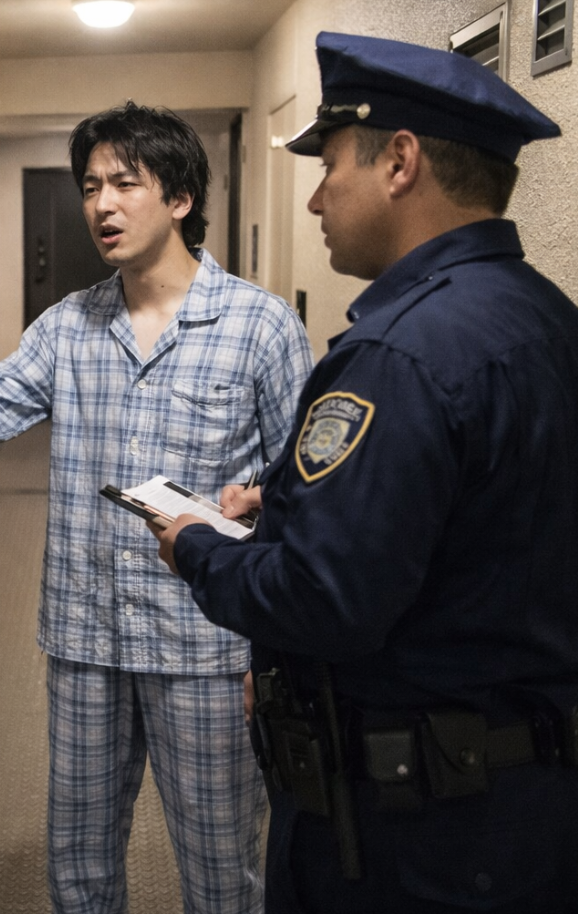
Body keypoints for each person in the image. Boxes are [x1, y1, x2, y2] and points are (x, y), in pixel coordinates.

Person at [151, 32, 578, 913]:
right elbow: (489, 518)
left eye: (328, 166)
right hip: (530, 798)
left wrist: (197, 546)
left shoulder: (399, 355)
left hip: (414, 830)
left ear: (399, 162)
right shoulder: (547, 318)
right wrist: (293, 501)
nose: (314, 198)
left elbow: (321, 601)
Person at [0, 102, 313, 914]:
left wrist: (272, 631)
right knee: (79, 869)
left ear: (178, 197)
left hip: (203, 647)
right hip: (85, 640)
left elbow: (301, 489)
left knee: (222, 873)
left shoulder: (260, 327)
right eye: (90, 186)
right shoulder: (68, 326)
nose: (101, 204)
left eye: (124, 184)